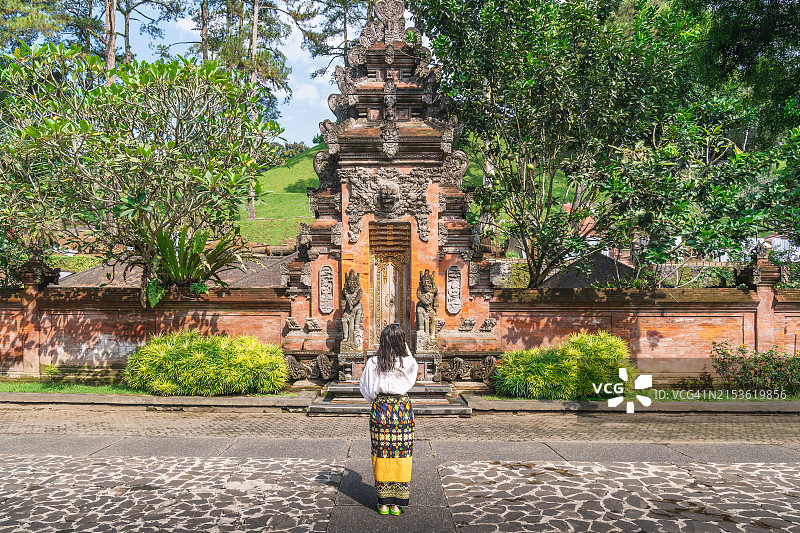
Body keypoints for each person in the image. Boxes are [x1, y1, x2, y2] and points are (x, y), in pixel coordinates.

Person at [359, 323, 418, 516]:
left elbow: (366, 390)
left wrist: (375, 402)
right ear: (402, 342)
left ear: (382, 341)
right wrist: (402, 345)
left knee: (381, 453)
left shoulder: (373, 362)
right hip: (401, 410)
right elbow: (412, 373)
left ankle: (383, 503)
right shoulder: (407, 362)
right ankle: (397, 504)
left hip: (381, 409)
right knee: (402, 453)